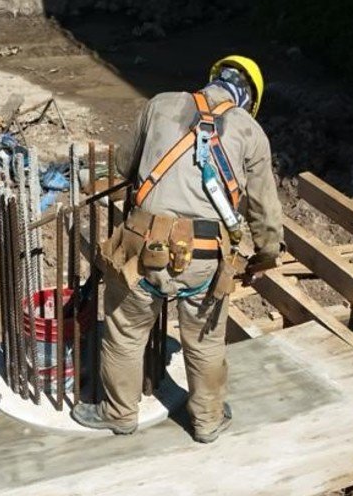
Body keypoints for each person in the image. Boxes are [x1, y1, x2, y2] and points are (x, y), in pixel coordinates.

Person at [73, 55, 284, 444]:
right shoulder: (250, 132)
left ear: (211, 78)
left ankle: (119, 414)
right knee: (205, 341)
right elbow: (264, 212)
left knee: (124, 331)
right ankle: (207, 421)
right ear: (249, 99)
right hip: (205, 255)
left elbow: (123, 164)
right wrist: (266, 255)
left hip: (142, 246)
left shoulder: (161, 104)